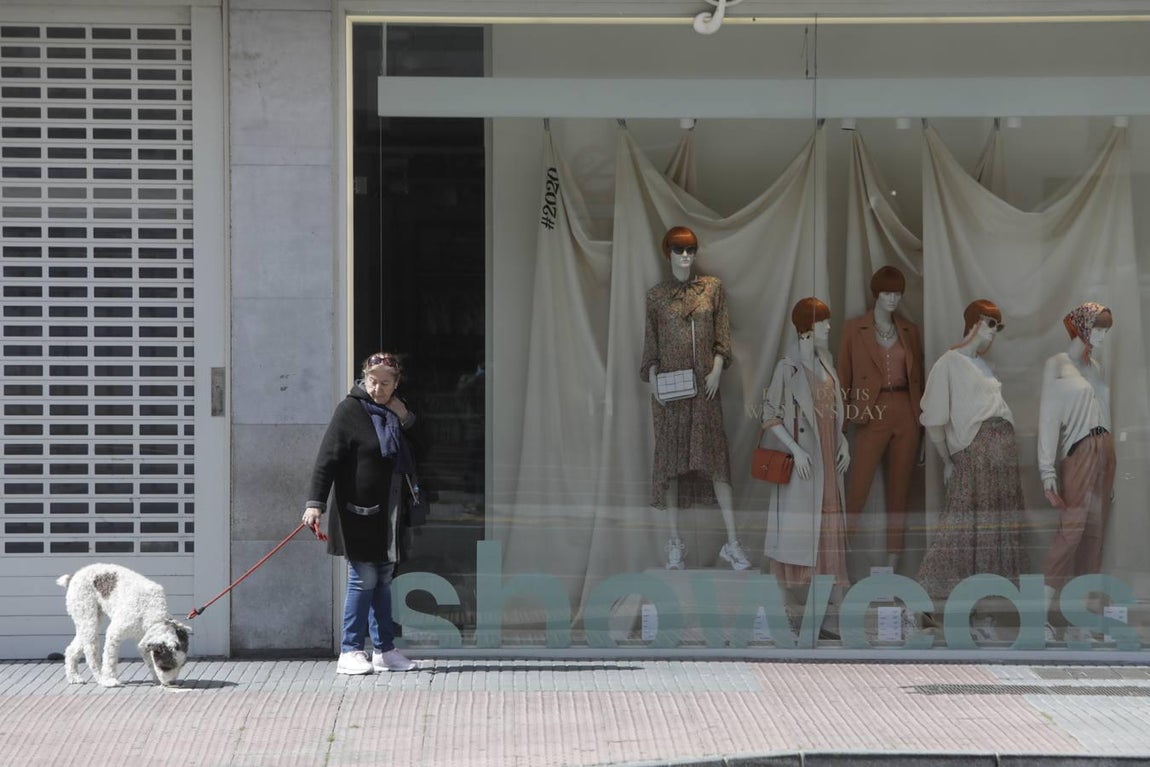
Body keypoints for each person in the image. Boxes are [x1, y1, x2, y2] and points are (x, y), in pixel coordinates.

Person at [916, 300, 1028, 640]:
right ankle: (932, 605)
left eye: (998, 325)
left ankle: (985, 608)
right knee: (961, 531)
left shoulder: (983, 365)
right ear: (974, 323)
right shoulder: (949, 363)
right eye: (990, 323)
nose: (994, 331)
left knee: (994, 534)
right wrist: (949, 459)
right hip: (975, 453)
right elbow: (934, 417)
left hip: (1001, 457)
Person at [640, 226, 750, 571]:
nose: (685, 256)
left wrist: (717, 369)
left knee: (716, 462)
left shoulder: (712, 289)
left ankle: (733, 543)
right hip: (671, 392)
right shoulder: (656, 297)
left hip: (705, 388)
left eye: (689, 250)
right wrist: (654, 381)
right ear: (667, 253)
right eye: (678, 250)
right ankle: (674, 543)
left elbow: (722, 336)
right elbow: (651, 346)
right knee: (671, 467)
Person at [303, 352, 418, 675]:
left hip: (390, 513)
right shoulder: (350, 410)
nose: (377, 388)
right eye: (372, 381)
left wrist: (406, 417)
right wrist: (315, 503)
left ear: (396, 384)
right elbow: (327, 459)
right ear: (363, 379)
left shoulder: (397, 412)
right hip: (358, 512)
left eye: (385, 383)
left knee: (382, 579)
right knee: (363, 579)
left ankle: (384, 650)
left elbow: (421, 446)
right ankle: (350, 649)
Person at [759, 297, 851, 639]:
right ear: (807, 329)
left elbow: (834, 413)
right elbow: (770, 416)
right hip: (806, 466)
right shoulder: (788, 368)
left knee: (827, 539)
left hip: (829, 461)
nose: (829, 327)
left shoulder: (826, 361)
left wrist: (843, 441)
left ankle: (825, 621)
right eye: (823, 322)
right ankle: (788, 619)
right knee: (801, 543)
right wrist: (796, 450)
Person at [837, 266, 925, 571]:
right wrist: (840, 429)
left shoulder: (909, 330)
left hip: (905, 412)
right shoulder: (853, 329)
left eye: (897, 292)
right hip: (869, 414)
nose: (892, 298)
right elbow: (842, 380)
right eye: (887, 292)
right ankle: (838, 564)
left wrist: (922, 426)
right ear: (876, 293)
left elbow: (919, 381)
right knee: (857, 489)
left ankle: (891, 568)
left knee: (900, 493)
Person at [1037, 302, 1116, 641]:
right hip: (1079, 451)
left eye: (1106, 330)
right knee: (1071, 532)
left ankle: (1081, 616)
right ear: (1083, 327)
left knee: (1095, 536)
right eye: (1098, 328)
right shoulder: (1058, 365)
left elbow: (1105, 412)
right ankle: (1038, 615)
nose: (1102, 335)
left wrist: (1112, 464)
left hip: (1105, 451)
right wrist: (1046, 471)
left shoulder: (1095, 367)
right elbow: (1048, 418)